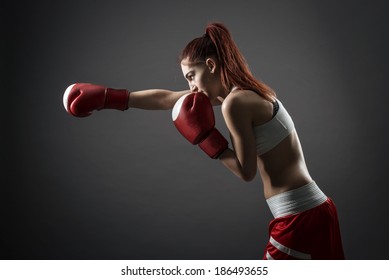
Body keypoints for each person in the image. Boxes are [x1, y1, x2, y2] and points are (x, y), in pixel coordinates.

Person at [63, 22, 345, 260]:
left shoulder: (236, 103)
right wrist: (108, 98)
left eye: (191, 76)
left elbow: (247, 172)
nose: (190, 88)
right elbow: (167, 98)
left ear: (210, 65)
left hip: (299, 218)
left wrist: (205, 139)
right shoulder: (244, 92)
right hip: (314, 210)